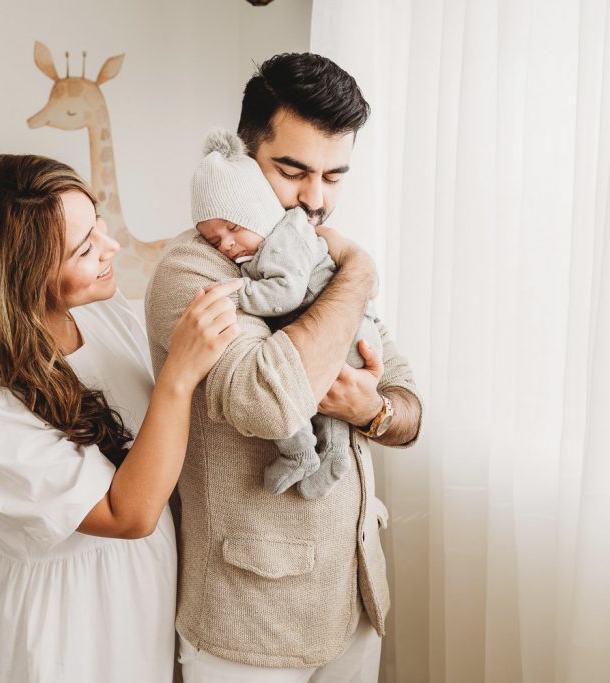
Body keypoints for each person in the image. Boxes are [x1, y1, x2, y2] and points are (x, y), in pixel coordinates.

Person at [0, 154, 241, 683]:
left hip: (139, 588)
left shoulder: (101, 312)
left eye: (97, 224)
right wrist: (179, 376)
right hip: (63, 625)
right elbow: (128, 514)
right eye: (84, 249)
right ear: (20, 278)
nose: (110, 247)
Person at [144, 52, 423, 682]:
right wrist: (359, 274)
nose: (315, 200)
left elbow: (408, 401)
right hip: (248, 620)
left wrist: (372, 410)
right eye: (293, 172)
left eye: (334, 177)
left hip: (351, 597)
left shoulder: (317, 257)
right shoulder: (194, 270)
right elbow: (269, 402)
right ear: (246, 157)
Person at [191, 128, 384, 499]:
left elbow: (286, 293)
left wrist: (239, 292)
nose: (225, 244)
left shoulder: (286, 236)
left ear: (255, 211)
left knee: (306, 390)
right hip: (346, 328)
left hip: (354, 337)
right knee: (301, 393)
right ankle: (318, 456)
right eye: (213, 239)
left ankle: (305, 453)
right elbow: (267, 401)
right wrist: (358, 267)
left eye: (232, 228)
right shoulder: (199, 262)